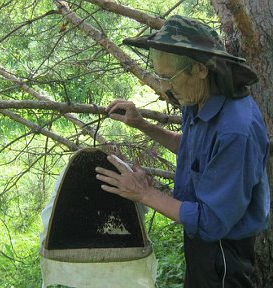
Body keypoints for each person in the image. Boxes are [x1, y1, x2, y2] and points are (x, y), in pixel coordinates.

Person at [95, 15, 270, 288]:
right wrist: (142, 124)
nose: (164, 88)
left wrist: (143, 193)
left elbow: (212, 222)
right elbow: (190, 147)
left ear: (200, 69)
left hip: (224, 253)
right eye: (159, 76)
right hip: (201, 244)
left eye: (169, 77)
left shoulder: (236, 130)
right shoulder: (199, 98)